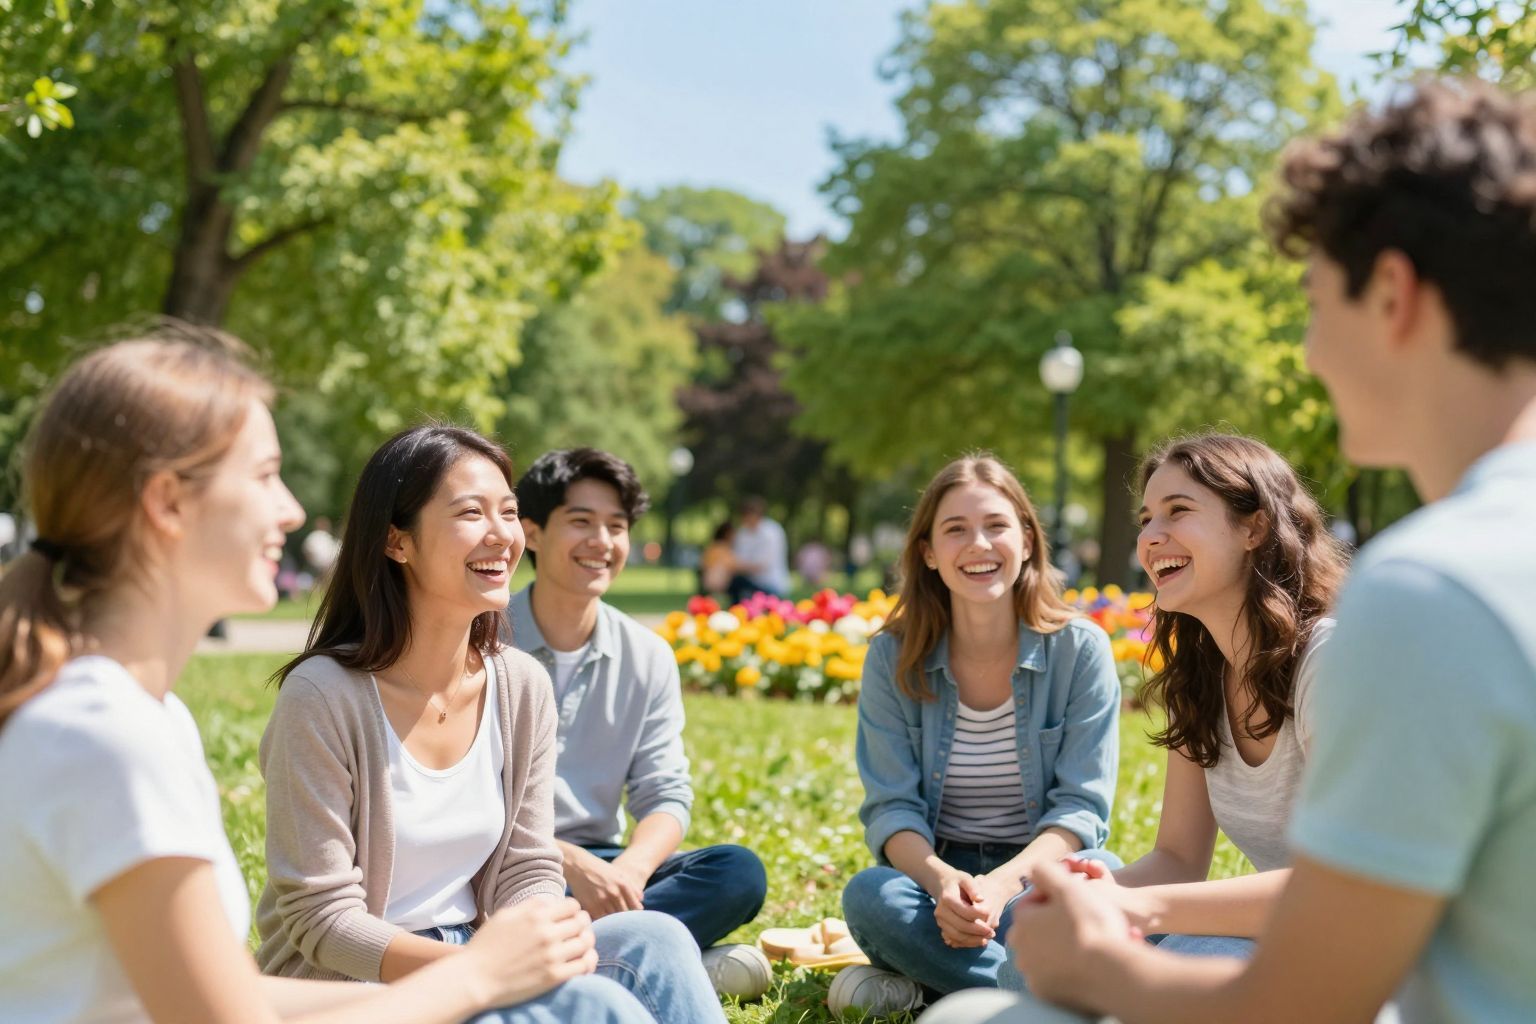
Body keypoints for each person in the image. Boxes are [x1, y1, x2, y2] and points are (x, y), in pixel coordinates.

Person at [929, 77, 1536, 1024]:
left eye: (1314, 301)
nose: (1306, 351)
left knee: (974, 1018)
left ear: (1392, 295)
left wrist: (1108, 952)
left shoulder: (1427, 592)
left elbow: (1316, 991)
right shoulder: (1461, 569)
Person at [0, 334, 642, 1024]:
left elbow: (232, 999)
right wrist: (477, 977)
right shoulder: (104, 737)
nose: (293, 510)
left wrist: (493, 971)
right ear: (168, 503)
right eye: (264, 475)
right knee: (589, 1009)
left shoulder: (147, 719)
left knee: (614, 976)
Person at [255, 426, 722, 1024]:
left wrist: (539, 945)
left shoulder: (520, 685)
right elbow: (322, 920)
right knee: (594, 1002)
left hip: (479, 949)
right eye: (471, 513)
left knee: (658, 938)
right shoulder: (322, 697)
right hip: (360, 987)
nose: (502, 535)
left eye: (508, 511)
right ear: (397, 542)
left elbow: (527, 866)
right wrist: (483, 974)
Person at [833, 454, 1122, 1016]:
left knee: (1106, 879)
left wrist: (1003, 886)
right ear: (929, 553)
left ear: (1028, 541)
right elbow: (892, 809)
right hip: (937, 879)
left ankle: (954, 988)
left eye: (996, 526)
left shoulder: (1080, 650)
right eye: (956, 530)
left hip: (1038, 873)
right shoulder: (892, 657)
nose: (979, 545)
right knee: (871, 896)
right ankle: (1051, 995)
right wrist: (946, 885)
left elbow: (1080, 810)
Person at [1059, 433, 1346, 961]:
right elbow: (1177, 857)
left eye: (1177, 511)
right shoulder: (1200, 677)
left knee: (1186, 954)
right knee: (1044, 933)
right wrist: (1087, 897)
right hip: (1282, 943)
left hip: (1390, 961)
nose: (1151, 537)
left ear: (1254, 526)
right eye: (1146, 520)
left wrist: (1134, 909)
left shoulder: (1330, 663)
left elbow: (1343, 889)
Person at [503, 449, 770, 994]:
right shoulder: (482, 641)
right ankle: (639, 954)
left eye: (617, 526)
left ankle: (575, 957)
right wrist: (569, 863)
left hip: (606, 865)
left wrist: (627, 873)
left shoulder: (647, 654)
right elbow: (461, 804)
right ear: (531, 532)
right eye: (581, 522)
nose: (603, 542)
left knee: (737, 873)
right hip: (505, 862)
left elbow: (666, 795)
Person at [727, 496, 789, 603]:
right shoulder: (743, 533)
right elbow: (737, 559)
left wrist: (734, 566)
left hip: (771, 584)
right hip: (749, 581)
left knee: (736, 581)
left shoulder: (772, 532)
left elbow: (763, 565)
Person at [699, 520, 736, 597]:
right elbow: (733, 565)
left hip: (707, 581)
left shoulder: (712, 547)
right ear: (727, 534)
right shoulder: (722, 548)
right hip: (717, 582)